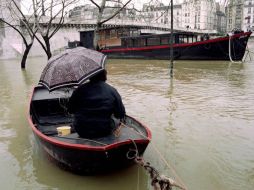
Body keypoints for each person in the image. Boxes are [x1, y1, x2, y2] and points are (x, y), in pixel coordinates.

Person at [68, 69, 126, 138]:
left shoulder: (79, 90)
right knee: (117, 120)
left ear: (89, 76)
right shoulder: (112, 90)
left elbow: (70, 110)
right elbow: (120, 114)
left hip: (82, 130)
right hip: (104, 130)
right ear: (105, 76)